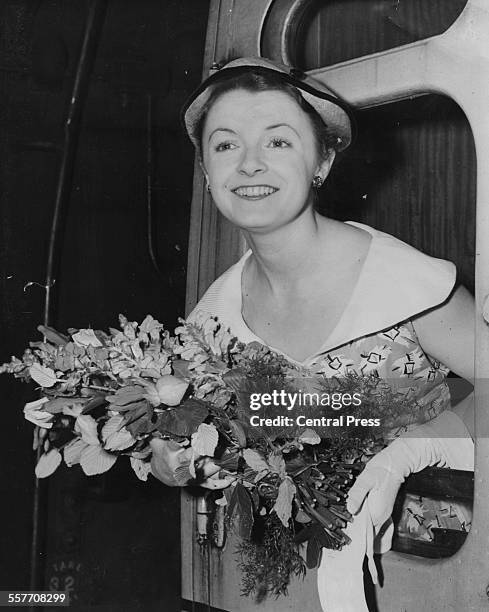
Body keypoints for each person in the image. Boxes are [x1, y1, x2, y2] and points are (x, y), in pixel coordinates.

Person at [150, 57, 475, 610]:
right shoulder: (212, 322)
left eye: (278, 142)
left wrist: (412, 453)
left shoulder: (407, 281)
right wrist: (170, 452)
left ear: (322, 160)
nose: (250, 164)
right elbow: (192, 428)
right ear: (206, 171)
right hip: (305, 576)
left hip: (456, 567)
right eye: (226, 146)